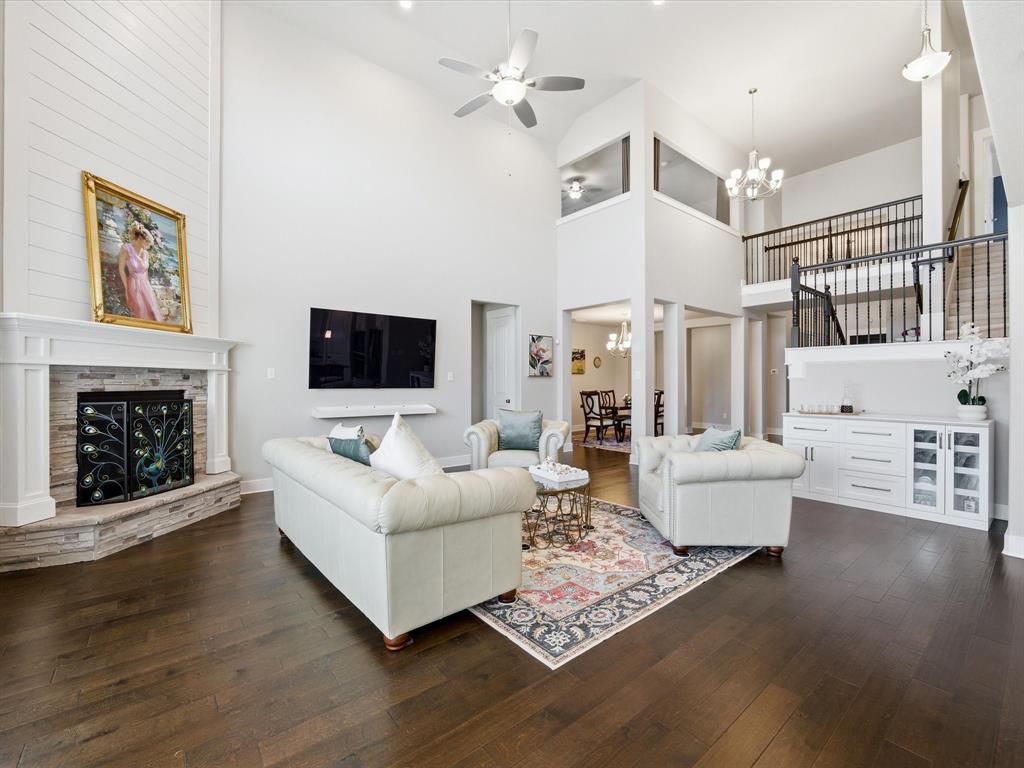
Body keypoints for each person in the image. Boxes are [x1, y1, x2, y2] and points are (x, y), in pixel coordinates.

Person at [118, 221, 164, 321]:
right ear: (140, 238)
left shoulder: (146, 253)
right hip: (133, 283)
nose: (148, 245)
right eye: (146, 242)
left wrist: (149, 289)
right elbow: (121, 269)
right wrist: (126, 289)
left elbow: (145, 272)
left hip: (145, 284)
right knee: (140, 309)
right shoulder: (126, 248)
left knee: (152, 310)